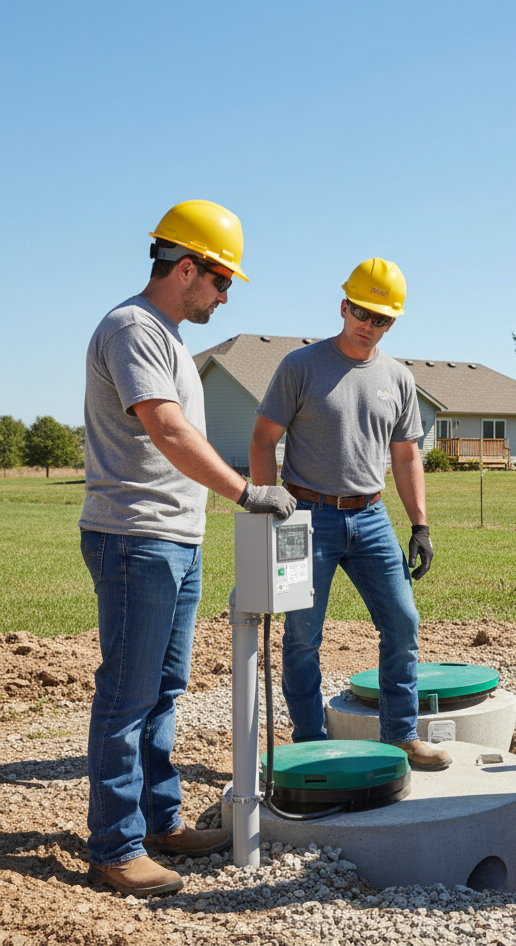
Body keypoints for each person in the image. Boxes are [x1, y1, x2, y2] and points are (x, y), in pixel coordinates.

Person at [81, 200, 297, 897]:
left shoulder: (167, 335)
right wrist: (246, 492)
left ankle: (159, 821)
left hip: (174, 537)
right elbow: (170, 432)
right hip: (134, 538)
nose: (226, 295)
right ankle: (116, 849)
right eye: (222, 280)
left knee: (164, 690)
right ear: (186, 268)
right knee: (127, 695)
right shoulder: (133, 329)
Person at [249, 257, 449, 771]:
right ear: (343, 306)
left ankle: (401, 736)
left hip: (372, 518)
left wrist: (420, 523)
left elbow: (406, 455)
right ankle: (311, 743)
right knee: (301, 636)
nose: (370, 324)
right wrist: (268, 509)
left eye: (382, 319)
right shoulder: (301, 366)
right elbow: (263, 439)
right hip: (300, 518)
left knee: (403, 621)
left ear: (393, 323)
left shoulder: (398, 378)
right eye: (362, 312)